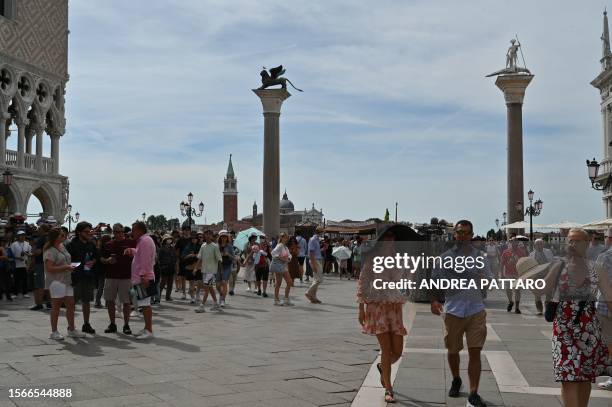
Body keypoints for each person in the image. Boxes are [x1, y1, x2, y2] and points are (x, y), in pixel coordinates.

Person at [532, 228, 609, 406]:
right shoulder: (559, 265)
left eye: (577, 241)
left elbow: (609, 296)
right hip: (564, 328)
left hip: (589, 328)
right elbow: (541, 289)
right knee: (567, 376)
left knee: (584, 377)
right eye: (570, 241)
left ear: (587, 243)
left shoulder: (596, 268)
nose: (572, 244)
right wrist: (527, 277)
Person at [430, 220, 493, 407]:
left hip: (476, 310)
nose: (463, 236)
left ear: (472, 235)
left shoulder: (481, 258)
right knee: (453, 350)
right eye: (460, 232)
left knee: (475, 351)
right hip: (453, 311)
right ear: (454, 235)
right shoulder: (445, 258)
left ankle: (474, 392)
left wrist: (484, 281)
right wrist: (434, 300)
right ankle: (456, 378)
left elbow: (489, 282)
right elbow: (434, 280)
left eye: (467, 233)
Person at [357, 226, 412, 403]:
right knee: (386, 350)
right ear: (380, 240)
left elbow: (408, 278)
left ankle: (382, 367)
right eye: (387, 237)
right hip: (378, 306)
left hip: (394, 306)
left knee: (397, 350)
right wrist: (361, 307)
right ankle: (388, 389)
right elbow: (363, 281)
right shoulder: (372, 259)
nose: (390, 239)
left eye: (392, 237)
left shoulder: (400, 258)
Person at [43, 228, 85, 340]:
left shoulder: (62, 247)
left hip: (66, 280)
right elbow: (49, 268)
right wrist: (66, 267)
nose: (64, 236)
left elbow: (65, 261)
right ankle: (54, 331)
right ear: (55, 237)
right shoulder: (50, 251)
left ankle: (71, 329)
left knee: (71, 304)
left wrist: (70, 266)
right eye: (62, 235)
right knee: (56, 306)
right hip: (56, 282)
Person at [100, 223, 136, 335]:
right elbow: (101, 258)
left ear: (123, 232)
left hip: (126, 276)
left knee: (126, 302)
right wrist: (107, 260)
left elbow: (137, 256)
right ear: (113, 233)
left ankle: (126, 325)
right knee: (110, 301)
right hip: (111, 276)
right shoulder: (108, 244)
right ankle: (112, 324)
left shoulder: (131, 243)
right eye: (116, 232)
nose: (119, 234)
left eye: (121, 232)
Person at [124, 221, 156, 339]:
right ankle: (147, 328)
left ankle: (149, 330)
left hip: (143, 278)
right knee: (143, 304)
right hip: (142, 277)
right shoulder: (144, 241)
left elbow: (146, 260)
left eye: (133, 230)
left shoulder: (144, 241)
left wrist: (143, 276)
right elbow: (141, 255)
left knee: (145, 304)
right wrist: (132, 251)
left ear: (140, 230)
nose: (132, 232)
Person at [65, 221, 98, 335]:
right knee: (72, 303)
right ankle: (71, 327)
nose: (89, 233)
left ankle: (86, 324)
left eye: (90, 231)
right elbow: (67, 261)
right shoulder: (71, 244)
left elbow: (95, 256)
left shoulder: (91, 244)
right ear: (79, 232)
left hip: (88, 276)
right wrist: (77, 266)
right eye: (86, 231)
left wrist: (93, 261)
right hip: (76, 277)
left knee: (87, 301)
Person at [593, 229, 612, 391]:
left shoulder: (604, 257)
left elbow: (598, 284)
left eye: (605, 237)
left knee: (609, 344)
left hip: (606, 308)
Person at [194, 230, 221, 313]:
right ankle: (216, 303)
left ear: (212, 236)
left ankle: (202, 306)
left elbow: (219, 259)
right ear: (205, 236)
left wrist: (220, 270)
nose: (208, 236)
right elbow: (200, 258)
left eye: (210, 234)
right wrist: (195, 268)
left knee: (206, 288)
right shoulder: (203, 246)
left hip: (211, 271)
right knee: (210, 287)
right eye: (206, 234)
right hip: (204, 270)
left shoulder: (215, 246)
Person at [500, 236, 527, 313]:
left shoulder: (521, 252)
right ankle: (510, 301)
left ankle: (517, 307)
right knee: (508, 289)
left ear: (518, 243)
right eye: (512, 241)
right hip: (508, 273)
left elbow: (524, 263)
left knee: (517, 290)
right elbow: (502, 263)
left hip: (518, 274)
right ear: (510, 242)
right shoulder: (506, 252)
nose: (514, 243)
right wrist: (502, 273)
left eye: (516, 241)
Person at [530, 238, 555, 315]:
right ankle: (539, 310)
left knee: (549, 293)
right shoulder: (531, 254)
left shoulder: (548, 252)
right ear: (535, 245)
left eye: (541, 244)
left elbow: (552, 262)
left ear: (543, 245)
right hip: (536, 276)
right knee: (537, 294)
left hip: (547, 274)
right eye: (537, 244)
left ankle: (547, 308)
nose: (539, 245)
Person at [31, 224, 51, 310]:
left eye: (39, 228)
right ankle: (49, 303)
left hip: (40, 263)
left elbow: (38, 252)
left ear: (43, 230)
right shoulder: (50, 239)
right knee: (48, 284)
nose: (38, 230)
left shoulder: (41, 239)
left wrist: (33, 250)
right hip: (49, 263)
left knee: (39, 284)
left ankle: (39, 304)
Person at [271, 233, 293, 306]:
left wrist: (288, 258)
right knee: (278, 283)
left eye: (287, 238)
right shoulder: (280, 245)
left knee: (289, 282)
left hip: (284, 266)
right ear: (282, 238)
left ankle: (286, 298)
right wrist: (281, 258)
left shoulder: (285, 247)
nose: (287, 239)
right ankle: (276, 299)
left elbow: (289, 254)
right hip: (279, 266)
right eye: (285, 238)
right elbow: (273, 253)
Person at [305, 227, 324, 304]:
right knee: (319, 279)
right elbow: (311, 253)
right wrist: (313, 264)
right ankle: (309, 292)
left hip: (316, 259)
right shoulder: (313, 240)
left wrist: (323, 249)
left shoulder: (316, 240)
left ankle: (313, 297)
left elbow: (315, 252)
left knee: (316, 279)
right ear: (320, 232)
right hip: (315, 260)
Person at [10, 230, 31, 300]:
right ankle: (15, 293)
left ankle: (25, 293)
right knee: (16, 279)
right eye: (21, 235)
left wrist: (28, 262)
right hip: (16, 264)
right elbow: (11, 255)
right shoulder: (14, 244)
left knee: (25, 279)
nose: (22, 237)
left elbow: (30, 254)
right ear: (18, 236)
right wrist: (18, 258)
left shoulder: (27, 244)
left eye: (23, 235)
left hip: (24, 264)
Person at [158, 235, 177, 301]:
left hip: (171, 267)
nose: (169, 240)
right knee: (162, 283)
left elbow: (175, 257)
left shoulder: (172, 248)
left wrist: (175, 264)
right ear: (164, 240)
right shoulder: (162, 249)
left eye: (170, 239)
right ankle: (158, 296)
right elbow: (159, 258)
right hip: (164, 267)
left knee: (170, 283)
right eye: (168, 239)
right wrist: (161, 266)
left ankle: (168, 296)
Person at [217, 231, 234, 307]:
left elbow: (233, 257)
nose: (223, 238)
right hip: (218, 266)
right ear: (220, 237)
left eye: (225, 236)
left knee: (224, 282)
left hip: (227, 266)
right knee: (217, 285)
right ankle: (221, 294)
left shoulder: (229, 246)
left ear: (227, 238)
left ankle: (223, 299)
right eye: (222, 236)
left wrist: (228, 254)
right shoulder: (217, 246)